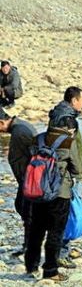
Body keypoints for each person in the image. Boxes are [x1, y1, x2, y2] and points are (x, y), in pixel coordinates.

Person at [24, 119, 82, 281]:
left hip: (37, 191)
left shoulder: (38, 139)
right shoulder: (68, 142)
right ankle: (50, 271)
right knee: (55, 232)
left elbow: (29, 159)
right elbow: (77, 169)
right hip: (60, 194)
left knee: (36, 230)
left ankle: (31, 266)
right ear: (70, 129)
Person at [49, 86, 82, 268]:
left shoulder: (59, 114)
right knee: (64, 214)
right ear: (74, 101)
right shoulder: (66, 119)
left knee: (62, 213)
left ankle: (60, 251)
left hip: (59, 173)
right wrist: (76, 172)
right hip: (65, 174)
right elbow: (66, 149)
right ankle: (60, 254)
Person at [0, 109, 37, 255]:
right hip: (27, 179)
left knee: (27, 211)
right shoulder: (19, 127)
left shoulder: (19, 131)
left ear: (1, 122)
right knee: (22, 208)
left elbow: (34, 154)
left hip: (29, 179)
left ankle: (30, 246)